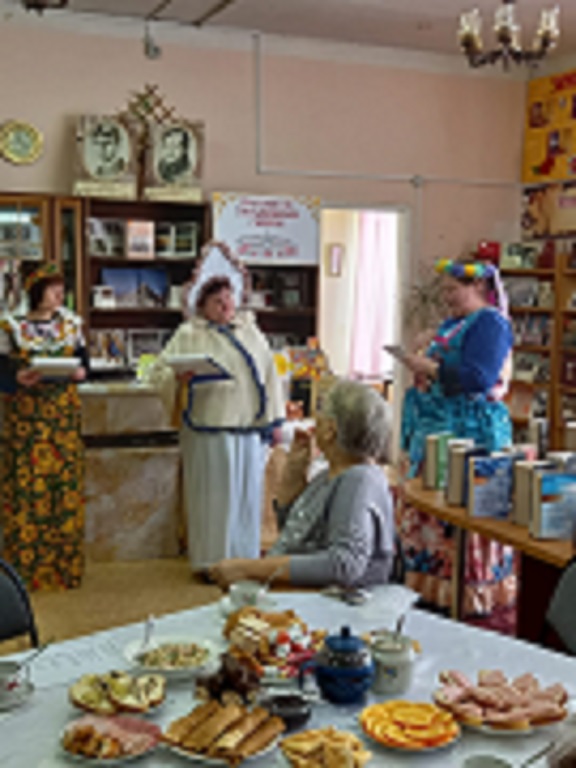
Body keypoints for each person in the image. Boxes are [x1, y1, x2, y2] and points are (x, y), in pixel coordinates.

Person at [398, 257, 515, 619]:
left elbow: (479, 378)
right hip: (436, 431)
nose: (446, 296)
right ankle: (428, 587)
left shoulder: (491, 323)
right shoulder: (454, 323)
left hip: (469, 435)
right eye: (445, 290)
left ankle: (465, 594)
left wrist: (430, 368)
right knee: (429, 511)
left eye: (453, 290)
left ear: (478, 287)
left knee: (457, 513)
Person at [147, 261, 284, 572]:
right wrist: (179, 377)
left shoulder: (251, 331)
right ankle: (210, 562)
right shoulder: (189, 334)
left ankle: (243, 561)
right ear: (203, 306)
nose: (225, 306)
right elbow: (158, 373)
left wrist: (275, 421)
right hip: (208, 429)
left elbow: (270, 376)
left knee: (245, 498)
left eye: (229, 299)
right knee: (213, 497)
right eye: (217, 301)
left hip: (248, 429)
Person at [209, 379, 396, 591]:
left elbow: (344, 564)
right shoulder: (331, 475)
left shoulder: (358, 481)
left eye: (320, 414)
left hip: (333, 602)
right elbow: (294, 534)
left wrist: (250, 569)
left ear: (330, 430)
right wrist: (293, 475)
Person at [0, 264, 89, 590]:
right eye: (52, 288)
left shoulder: (71, 325)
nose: (59, 294)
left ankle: (65, 569)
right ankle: (24, 572)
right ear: (36, 291)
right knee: (27, 491)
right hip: (26, 424)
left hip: (62, 422)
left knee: (62, 489)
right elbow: (1, 372)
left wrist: (80, 373)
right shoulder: (12, 326)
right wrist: (17, 378)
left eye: (60, 288)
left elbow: (85, 363)